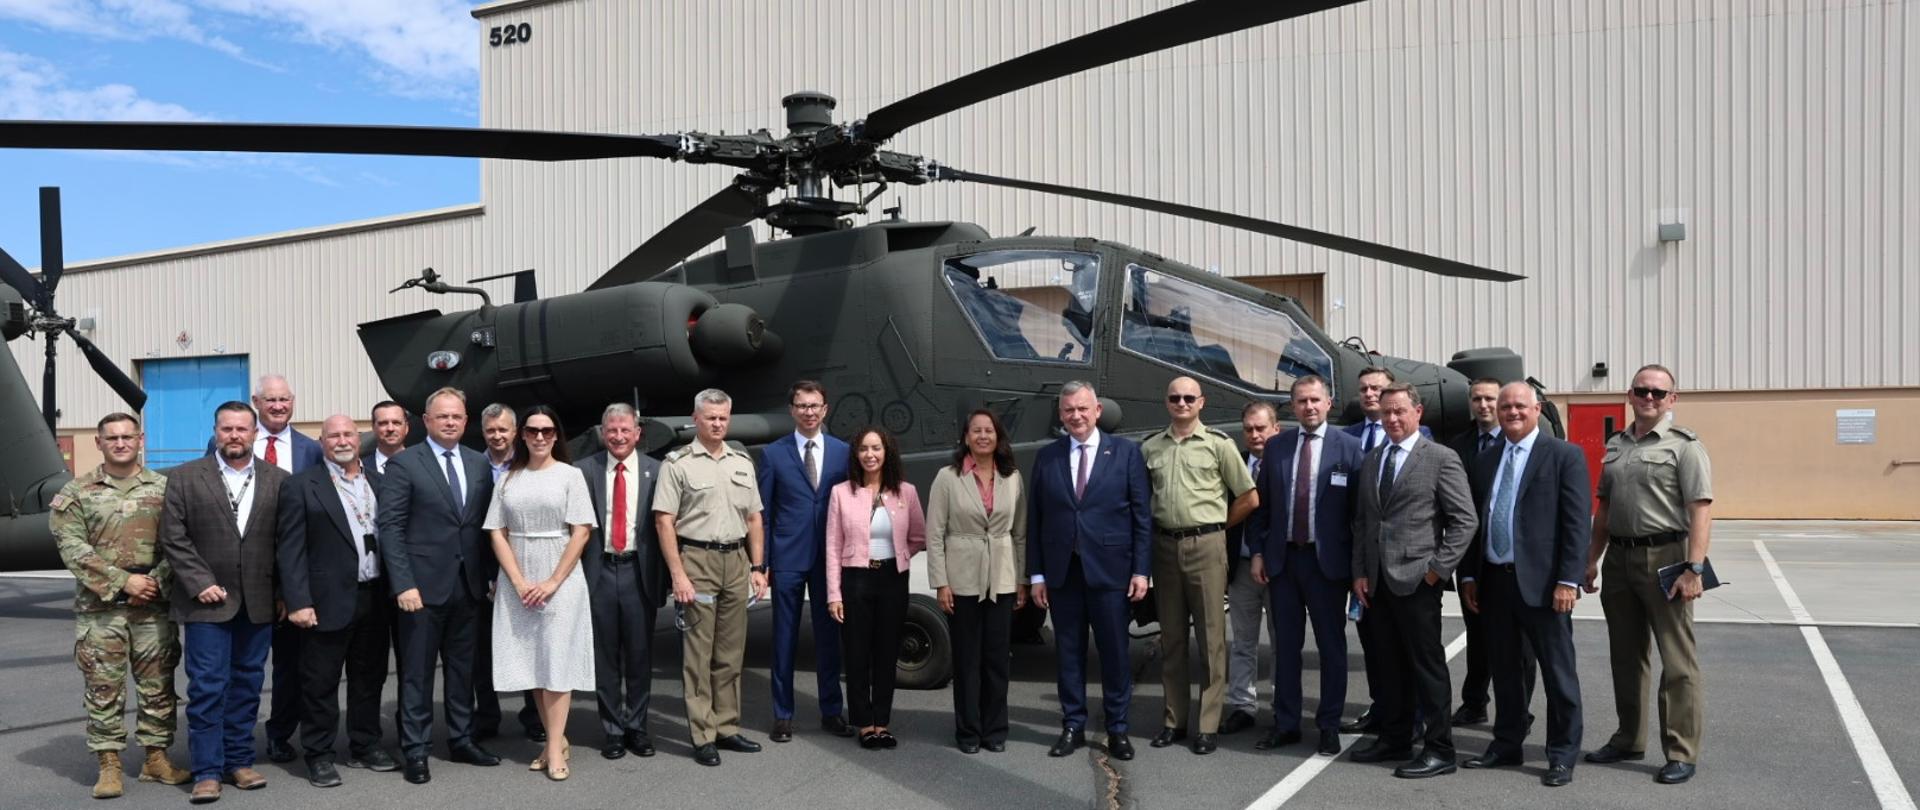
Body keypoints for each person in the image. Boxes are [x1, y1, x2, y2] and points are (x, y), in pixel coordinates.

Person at [1583, 364, 1713, 785]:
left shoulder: (1685, 446)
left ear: (1672, 399)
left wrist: (1694, 568)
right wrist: (1591, 559)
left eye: (1659, 393)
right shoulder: (1617, 445)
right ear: (1630, 395)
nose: (1650, 398)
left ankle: (1680, 750)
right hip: (1620, 558)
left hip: (1667, 557)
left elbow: (1700, 510)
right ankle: (1628, 738)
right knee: (1626, 654)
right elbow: (1603, 508)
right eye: (1642, 391)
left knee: (1677, 660)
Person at [51, 413, 192, 800]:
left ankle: (155, 758)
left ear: (140, 439)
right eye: (111, 437)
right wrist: (121, 581)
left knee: (159, 687)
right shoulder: (77, 492)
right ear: (98, 443)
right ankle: (109, 762)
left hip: (154, 605)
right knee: (103, 688)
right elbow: (72, 547)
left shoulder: (166, 488)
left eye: (127, 436)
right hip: (101, 610)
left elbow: (181, 542)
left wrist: (154, 581)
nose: (120, 443)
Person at [1458, 383, 1589, 787]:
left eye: (1519, 406)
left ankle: (1562, 753)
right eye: (1505, 407)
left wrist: (1568, 580)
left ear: (1537, 409)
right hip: (1495, 582)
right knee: (1506, 670)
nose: (1511, 412)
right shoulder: (1487, 459)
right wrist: (1469, 574)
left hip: (1546, 585)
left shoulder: (1564, 455)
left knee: (1557, 673)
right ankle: (1507, 742)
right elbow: (1476, 521)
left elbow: (1575, 523)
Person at [160, 401, 289, 804]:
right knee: (208, 688)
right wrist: (199, 582)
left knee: (248, 687)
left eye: (242, 429)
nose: (234, 436)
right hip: (206, 603)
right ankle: (207, 771)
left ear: (255, 433)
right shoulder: (184, 478)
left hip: (259, 601)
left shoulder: (278, 480)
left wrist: (284, 593)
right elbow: (173, 536)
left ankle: (238, 761)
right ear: (216, 431)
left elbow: (286, 542)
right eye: (227, 429)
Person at [1348, 383, 1477, 779]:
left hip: (1418, 580)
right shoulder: (1374, 458)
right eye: (1386, 412)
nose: (1392, 419)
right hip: (1378, 583)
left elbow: (1464, 520)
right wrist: (1360, 573)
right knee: (1388, 666)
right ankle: (1395, 738)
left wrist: (1436, 571)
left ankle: (1440, 749)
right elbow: (1365, 523)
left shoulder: (1440, 458)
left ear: (1417, 413)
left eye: (1400, 411)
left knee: (1427, 668)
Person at [377, 387, 503, 785]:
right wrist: (403, 584)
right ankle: (416, 749)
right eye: (442, 416)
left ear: (467, 422)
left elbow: (483, 527)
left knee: (462, 671)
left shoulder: (478, 464)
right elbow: (391, 529)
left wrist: (490, 577)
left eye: (457, 417)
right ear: (426, 421)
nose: (450, 422)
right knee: (416, 674)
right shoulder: (405, 463)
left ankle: (462, 739)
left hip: (468, 587)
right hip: (421, 591)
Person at [1027, 381, 1152, 761]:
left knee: (1114, 653)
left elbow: (1141, 517)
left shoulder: (1126, 453)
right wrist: (1036, 575)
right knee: (1068, 652)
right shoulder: (1047, 457)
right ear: (1061, 415)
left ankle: (1117, 729)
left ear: (1097, 410)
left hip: (1112, 572)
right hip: (1064, 573)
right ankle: (1073, 725)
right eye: (1068, 411)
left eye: (1082, 409)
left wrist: (1141, 571)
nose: (1076, 416)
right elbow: (1036, 519)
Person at [276, 415, 399, 787]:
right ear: (322, 441)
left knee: (369, 678)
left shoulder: (379, 482)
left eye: (348, 434)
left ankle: (365, 743)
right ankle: (319, 753)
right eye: (334, 435)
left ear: (359, 440)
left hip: (374, 596)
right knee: (320, 682)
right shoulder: (301, 485)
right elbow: (290, 548)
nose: (342, 440)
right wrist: (297, 600)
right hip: (324, 600)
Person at [652, 388, 771, 766]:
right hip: (698, 561)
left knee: (731, 652)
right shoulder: (679, 463)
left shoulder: (741, 461)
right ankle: (702, 735)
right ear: (696, 418)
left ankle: (727, 727)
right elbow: (664, 521)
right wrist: (678, 574)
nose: (717, 424)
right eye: (710, 418)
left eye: (723, 418)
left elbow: (754, 518)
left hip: (736, 561)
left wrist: (757, 567)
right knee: (699, 654)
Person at [1140, 377, 1257, 755]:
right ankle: (1174, 721)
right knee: (1171, 639)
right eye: (1175, 397)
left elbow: (1249, 497)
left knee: (1210, 639)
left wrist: (1218, 526)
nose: (1182, 402)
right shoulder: (1150, 447)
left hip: (1207, 545)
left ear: (1201, 402)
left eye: (1189, 397)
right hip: (1164, 547)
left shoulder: (1219, 446)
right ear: (1166, 401)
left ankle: (1207, 725)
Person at [1248, 376, 1362, 756]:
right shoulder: (1277, 447)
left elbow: (1360, 515)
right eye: (1301, 401)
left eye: (1315, 400)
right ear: (1292, 407)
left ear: (1328, 403)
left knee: (1331, 647)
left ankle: (1329, 724)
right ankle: (1286, 723)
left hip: (1327, 564)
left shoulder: (1349, 448)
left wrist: (1359, 567)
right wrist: (1260, 552)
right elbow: (1261, 508)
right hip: (1284, 562)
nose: (1309, 407)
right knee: (1286, 648)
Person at [484, 406, 599, 781]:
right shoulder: (508, 478)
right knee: (534, 660)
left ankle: (552, 747)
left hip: (560, 577)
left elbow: (581, 531)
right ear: (522, 435)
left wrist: (551, 582)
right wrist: (517, 581)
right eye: (532, 430)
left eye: (547, 431)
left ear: (556, 436)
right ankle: (555, 739)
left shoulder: (571, 475)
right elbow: (496, 531)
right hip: (519, 576)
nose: (539, 437)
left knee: (557, 662)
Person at [213, 375, 321, 766]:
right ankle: (228, 741)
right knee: (237, 668)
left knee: (291, 667)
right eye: (270, 399)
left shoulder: (311, 449)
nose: (277, 405)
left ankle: (280, 733)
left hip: (293, 580)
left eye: (284, 399)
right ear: (256, 402)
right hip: (241, 582)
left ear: (293, 402)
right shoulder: (228, 444)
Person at [926, 410, 1027, 754]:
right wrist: (941, 582)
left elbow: (1020, 534)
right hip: (962, 578)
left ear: (998, 437)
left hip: (1001, 577)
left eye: (989, 430)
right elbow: (935, 533)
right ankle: (968, 731)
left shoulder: (1012, 477)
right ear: (966, 437)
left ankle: (995, 730)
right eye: (976, 431)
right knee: (968, 659)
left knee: (997, 659)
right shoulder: (948, 477)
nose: (983, 436)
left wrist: (1022, 580)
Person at [756, 381, 852, 742]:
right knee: (784, 638)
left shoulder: (844, 453)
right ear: (791, 410)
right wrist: (762, 563)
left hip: (829, 560)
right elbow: (762, 513)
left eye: (815, 406)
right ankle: (782, 714)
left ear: (825, 409)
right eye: (801, 405)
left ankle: (831, 710)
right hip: (788, 558)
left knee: (829, 638)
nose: (808, 412)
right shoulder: (774, 454)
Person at [1340, 365, 1433, 736]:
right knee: (1374, 645)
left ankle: (1418, 718)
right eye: (1363, 389)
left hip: (1406, 567)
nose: (1370, 395)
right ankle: (1382, 710)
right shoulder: (1347, 438)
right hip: (1363, 560)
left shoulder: (1421, 439)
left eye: (1377, 389)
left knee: (1413, 652)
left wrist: (1435, 568)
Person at [574, 403, 668, 760]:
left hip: (637, 572)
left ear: (637, 433)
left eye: (625, 430)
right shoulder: (583, 471)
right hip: (599, 571)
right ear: (602, 432)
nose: (618, 436)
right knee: (605, 656)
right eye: (611, 430)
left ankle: (637, 727)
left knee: (640, 655)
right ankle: (613, 729)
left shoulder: (657, 471)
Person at [824, 427, 926, 750]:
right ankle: (864, 723)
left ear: (887, 452)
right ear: (856, 454)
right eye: (864, 449)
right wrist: (833, 594)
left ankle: (882, 721)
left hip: (893, 580)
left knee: (886, 652)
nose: (870, 454)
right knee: (856, 653)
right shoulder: (842, 492)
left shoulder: (905, 492)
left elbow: (919, 536)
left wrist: (901, 555)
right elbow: (832, 546)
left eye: (876, 448)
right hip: (855, 579)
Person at [1446, 378, 1534, 726]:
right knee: (1478, 635)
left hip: (1518, 562)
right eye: (1477, 399)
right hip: (1475, 558)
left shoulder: (1528, 445)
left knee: (1522, 646)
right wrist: (1465, 569)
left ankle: (1518, 711)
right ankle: (1474, 702)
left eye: (1490, 399)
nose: (1483, 405)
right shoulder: (1458, 446)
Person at [474, 403, 545, 743]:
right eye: (491, 430)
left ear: (516, 431)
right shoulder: (474, 465)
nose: (497, 436)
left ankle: (535, 717)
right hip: (483, 571)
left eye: (503, 429)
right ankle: (487, 717)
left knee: (531, 644)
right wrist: (488, 575)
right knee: (483, 650)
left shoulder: (533, 464)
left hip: (529, 570)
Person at [1222, 401, 1279, 738]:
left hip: (1276, 568)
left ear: (1276, 429)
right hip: (1241, 569)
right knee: (1243, 641)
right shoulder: (1236, 466)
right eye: (1249, 429)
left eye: (1261, 428)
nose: (1255, 435)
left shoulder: (1286, 464)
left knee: (1281, 641)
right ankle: (1243, 706)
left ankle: (1282, 707)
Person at [366, 400, 409, 480]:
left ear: (406, 428)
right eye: (383, 423)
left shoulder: (424, 465)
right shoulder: (361, 469)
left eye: (396, 423)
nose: (390, 429)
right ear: (373, 428)